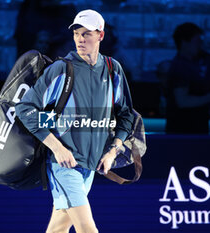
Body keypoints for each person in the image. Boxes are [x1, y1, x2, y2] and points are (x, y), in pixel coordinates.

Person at [15, 9, 134, 233]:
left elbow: (126, 115)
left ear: (100, 35)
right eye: (77, 33)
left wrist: (112, 152)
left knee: (58, 227)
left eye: (87, 33)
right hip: (63, 165)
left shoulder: (113, 69)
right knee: (87, 229)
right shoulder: (61, 69)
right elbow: (25, 109)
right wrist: (57, 147)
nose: (80, 39)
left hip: (90, 166)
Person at [165, 22, 210, 134]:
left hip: (199, 126)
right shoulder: (179, 66)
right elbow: (183, 101)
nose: (200, 45)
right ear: (184, 42)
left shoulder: (204, 61)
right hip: (181, 129)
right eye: (197, 41)